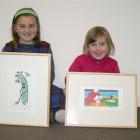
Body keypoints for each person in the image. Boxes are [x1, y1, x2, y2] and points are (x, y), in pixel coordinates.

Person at [2, 7, 65, 123]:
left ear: (37, 27)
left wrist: (38, 84)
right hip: (14, 88)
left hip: (39, 87)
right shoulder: (9, 48)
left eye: (31, 26)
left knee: (58, 93)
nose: (27, 30)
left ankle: (55, 115)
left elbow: (50, 73)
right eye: (22, 26)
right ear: (15, 28)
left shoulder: (44, 47)